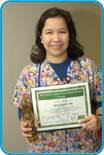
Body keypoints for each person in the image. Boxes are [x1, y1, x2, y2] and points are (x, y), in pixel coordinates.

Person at [13, 7, 102, 153]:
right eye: (49, 32)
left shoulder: (88, 67)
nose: (56, 39)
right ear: (41, 37)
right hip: (42, 148)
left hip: (85, 148)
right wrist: (24, 123)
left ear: (70, 35)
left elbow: (101, 101)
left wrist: (99, 120)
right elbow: (22, 109)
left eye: (62, 32)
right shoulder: (28, 73)